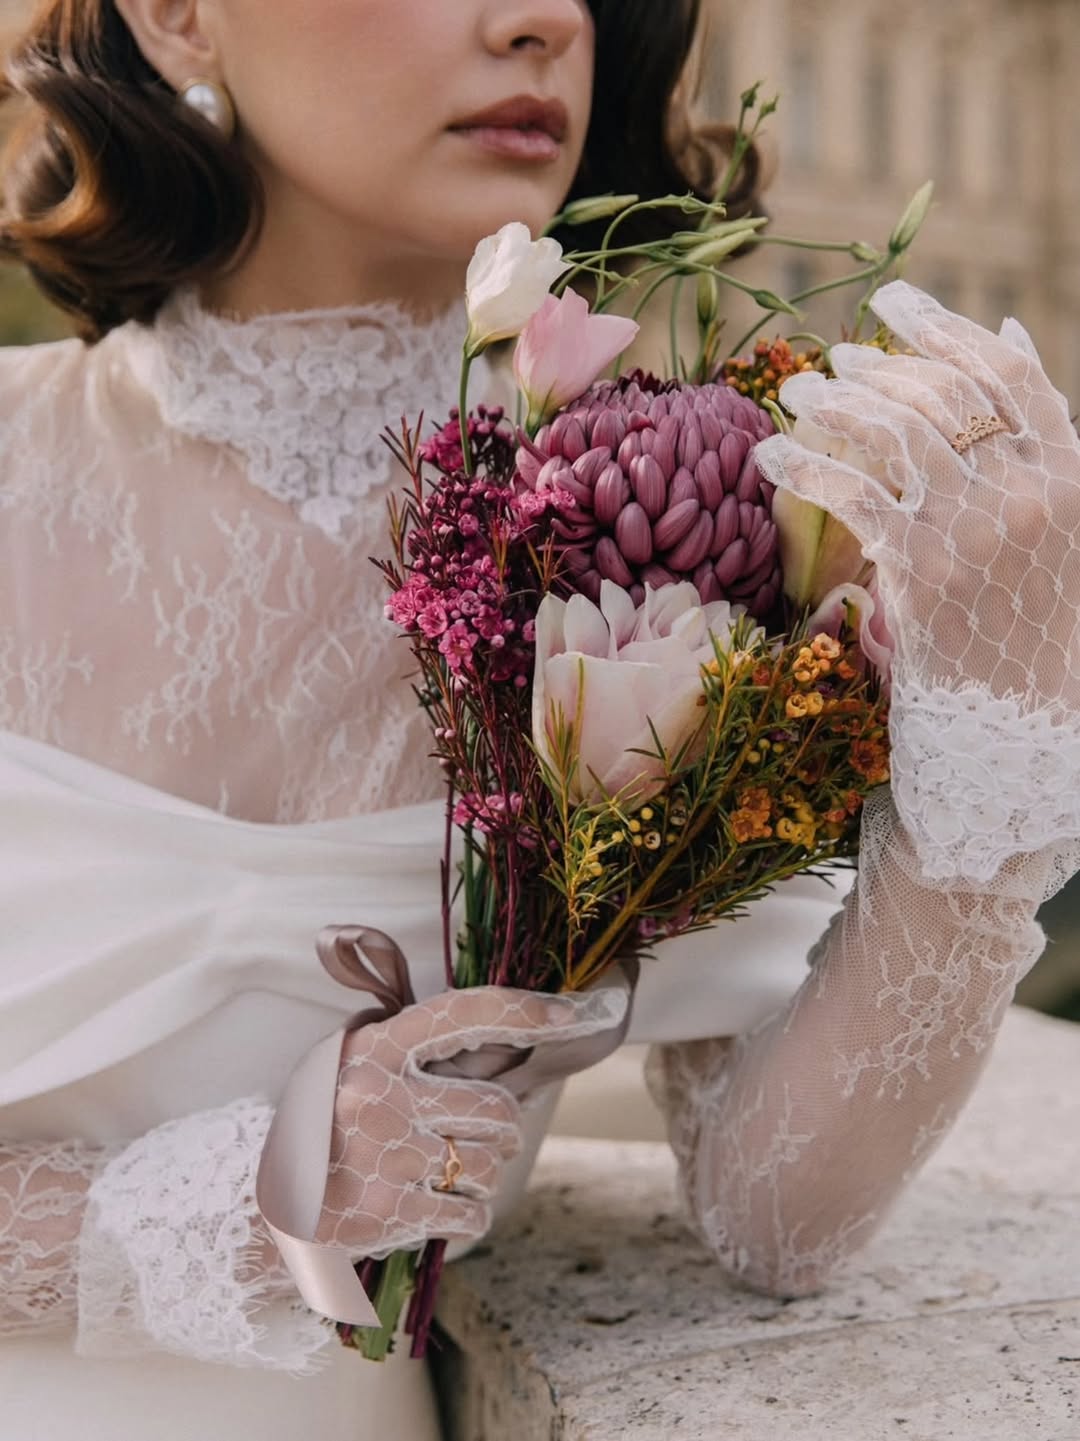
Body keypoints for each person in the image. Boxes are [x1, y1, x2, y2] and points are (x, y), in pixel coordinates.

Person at [2, 2, 1079, 1440]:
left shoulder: (665, 547)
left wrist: (986, 791)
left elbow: (779, 1220)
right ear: (183, 16)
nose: (539, 22)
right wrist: (246, 1198)